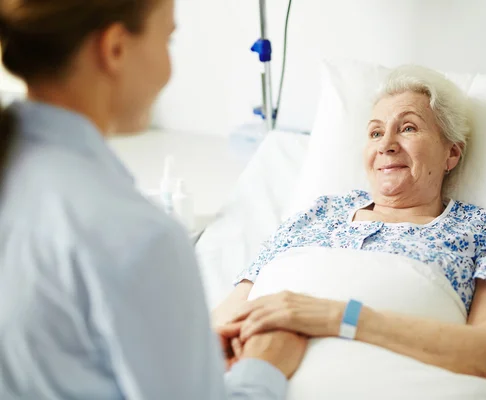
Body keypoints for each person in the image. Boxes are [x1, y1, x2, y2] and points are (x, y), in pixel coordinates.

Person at [0, 1, 307, 399]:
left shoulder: (18, 172)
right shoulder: (137, 235)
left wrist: (171, 344)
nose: (169, 68)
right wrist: (261, 367)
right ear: (114, 49)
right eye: (168, 39)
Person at [216, 65, 486, 384]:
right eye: (375, 132)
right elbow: (225, 322)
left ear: (452, 154)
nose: (386, 144)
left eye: (408, 128)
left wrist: (334, 316)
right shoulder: (315, 215)